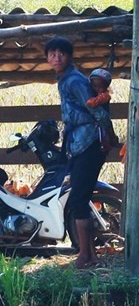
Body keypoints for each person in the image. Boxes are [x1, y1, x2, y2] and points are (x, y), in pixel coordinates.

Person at [45, 37, 110, 269]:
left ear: (70, 56)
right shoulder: (65, 79)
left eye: (61, 53)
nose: (57, 58)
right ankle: (90, 255)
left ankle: (85, 255)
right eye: (52, 54)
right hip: (78, 144)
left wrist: (109, 134)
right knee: (80, 198)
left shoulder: (74, 80)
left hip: (88, 144)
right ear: (47, 57)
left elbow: (97, 110)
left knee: (78, 200)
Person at [86, 68, 121, 153]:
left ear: (106, 87)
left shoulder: (104, 96)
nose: (97, 89)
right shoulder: (93, 93)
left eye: (100, 87)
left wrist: (90, 102)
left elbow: (92, 103)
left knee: (105, 135)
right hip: (96, 123)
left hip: (102, 122)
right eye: (94, 86)